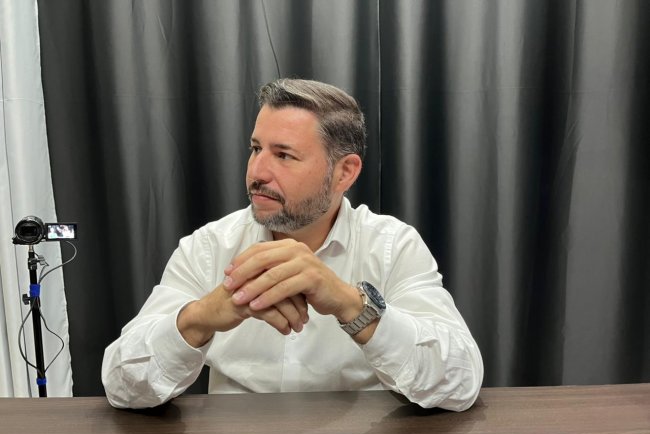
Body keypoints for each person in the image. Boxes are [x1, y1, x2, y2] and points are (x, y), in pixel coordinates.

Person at [101, 78, 483, 410]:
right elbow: (122, 387)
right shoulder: (209, 247)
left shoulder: (392, 246)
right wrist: (199, 318)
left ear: (344, 172)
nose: (257, 172)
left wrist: (351, 305)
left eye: (284, 155)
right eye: (256, 149)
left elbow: (460, 383)